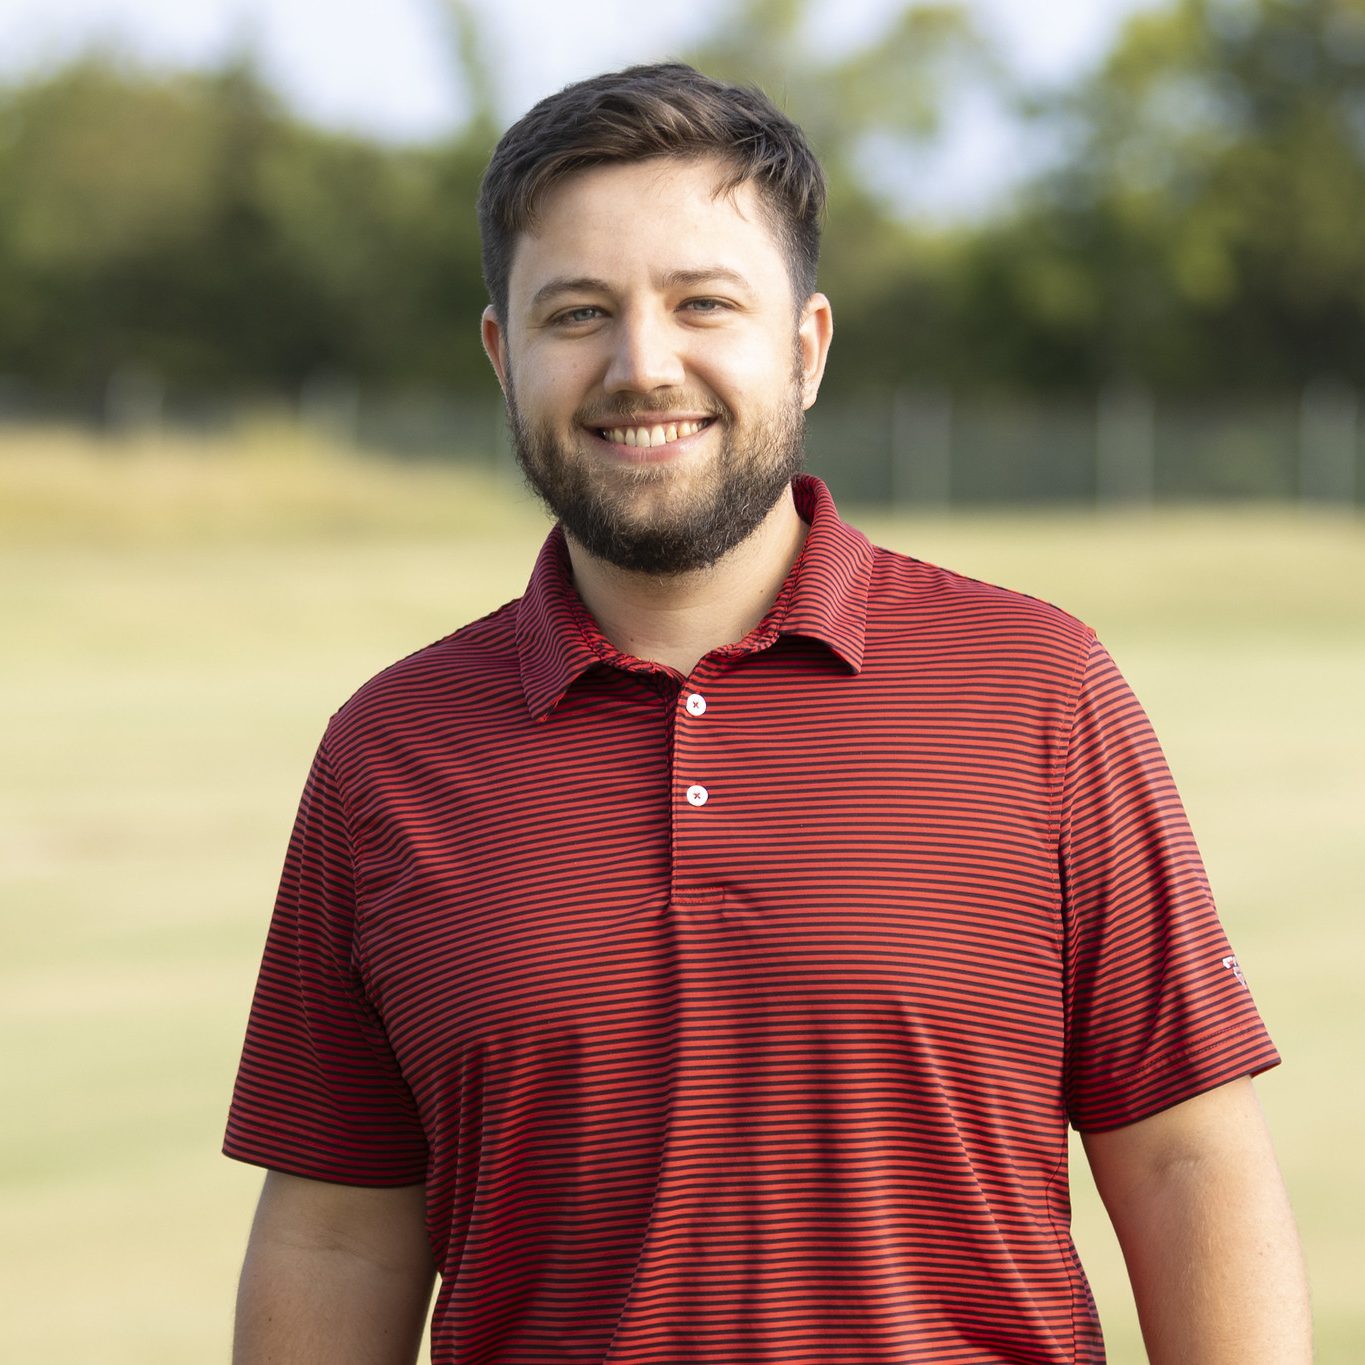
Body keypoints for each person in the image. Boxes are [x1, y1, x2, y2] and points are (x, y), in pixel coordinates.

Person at [225, 63, 1311, 1364]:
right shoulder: (386, 754)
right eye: (578, 312)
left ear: (803, 344)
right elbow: (339, 1228)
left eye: (701, 303)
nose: (641, 364)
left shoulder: (1038, 687)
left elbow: (1186, 1156)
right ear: (502, 355)